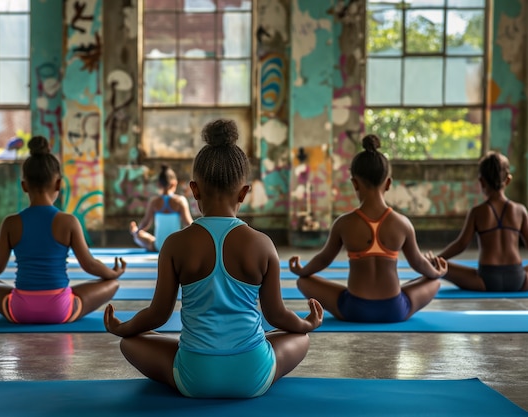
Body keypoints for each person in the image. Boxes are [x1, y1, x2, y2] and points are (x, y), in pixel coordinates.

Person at [105, 119, 323, 398]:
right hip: (253, 375)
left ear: (194, 190)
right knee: (299, 338)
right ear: (244, 192)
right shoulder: (263, 244)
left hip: (194, 377)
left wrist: (122, 327)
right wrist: (308, 324)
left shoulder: (175, 244)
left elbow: (158, 315)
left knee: (130, 343)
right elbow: (276, 315)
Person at [289, 134, 447, 323]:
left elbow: (324, 258)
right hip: (394, 310)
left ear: (354, 183)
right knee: (433, 281)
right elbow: (419, 264)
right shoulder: (402, 223)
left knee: (303, 281)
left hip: (354, 309)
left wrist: (302, 270)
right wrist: (437, 273)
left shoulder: (344, 223)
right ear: (388, 183)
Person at [0, 136, 126, 324]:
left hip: (20, 310)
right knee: (111, 284)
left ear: (24, 186)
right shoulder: (68, 222)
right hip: (60, 310)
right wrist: (113, 273)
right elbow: (90, 265)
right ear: (59, 184)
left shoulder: (11, 223)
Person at [436, 151, 528, 292]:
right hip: (517, 278)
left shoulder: (477, 212)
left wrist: (437, 259)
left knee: (441, 266)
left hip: (486, 280)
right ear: (508, 180)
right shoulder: (520, 210)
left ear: (481, 181)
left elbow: (461, 244)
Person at [129, 165, 193, 252]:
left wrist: (137, 233)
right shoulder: (180, 201)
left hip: (158, 246)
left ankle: (135, 231)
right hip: (176, 247)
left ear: (158, 184)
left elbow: (145, 223)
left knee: (140, 236)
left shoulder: (154, 202)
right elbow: (189, 224)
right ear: (174, 183)